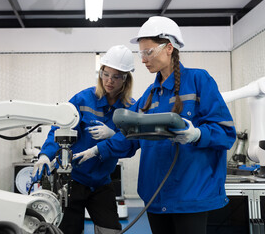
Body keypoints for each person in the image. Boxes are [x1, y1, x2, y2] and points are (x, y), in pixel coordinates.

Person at [73, 16, 236, 234]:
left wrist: (197, 134)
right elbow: (128, 136)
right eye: (141, 53)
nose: (143, 60)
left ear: (169, 47)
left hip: (191, 195)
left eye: (148, 52)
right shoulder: (149, 96)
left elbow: (226, 132)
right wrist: (97, 150)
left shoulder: (199, 81)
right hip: (155, 197)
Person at [31, 45, 135, 234]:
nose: (109, 81)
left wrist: (113, 136)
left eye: (116, 76)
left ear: (126, 78)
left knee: (110, 230)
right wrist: (46, 155)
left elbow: (132, 144)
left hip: (102, 182)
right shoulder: (83, 99)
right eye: (105, 73)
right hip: (73, 179)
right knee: (68, 230)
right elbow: (60, 129)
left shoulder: (130, 108)